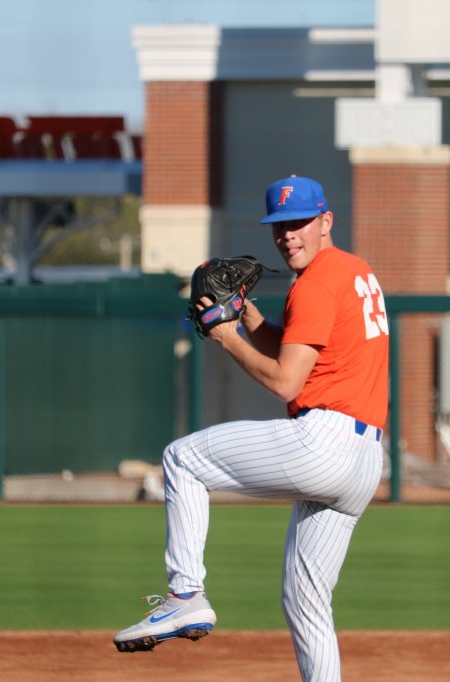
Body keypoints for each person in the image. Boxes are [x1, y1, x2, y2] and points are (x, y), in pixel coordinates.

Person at [113, 174, 390, 681]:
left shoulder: (315, 283)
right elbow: (300, 348)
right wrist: (247, 316)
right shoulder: (354, 271)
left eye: (300, 222)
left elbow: (287, 381)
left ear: (326, 220)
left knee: (183, 459)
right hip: (365, 462)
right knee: (306, 601)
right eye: (280, 226)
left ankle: (185, 595)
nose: (289, 235)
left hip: (322, 442)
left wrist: (226, 337)